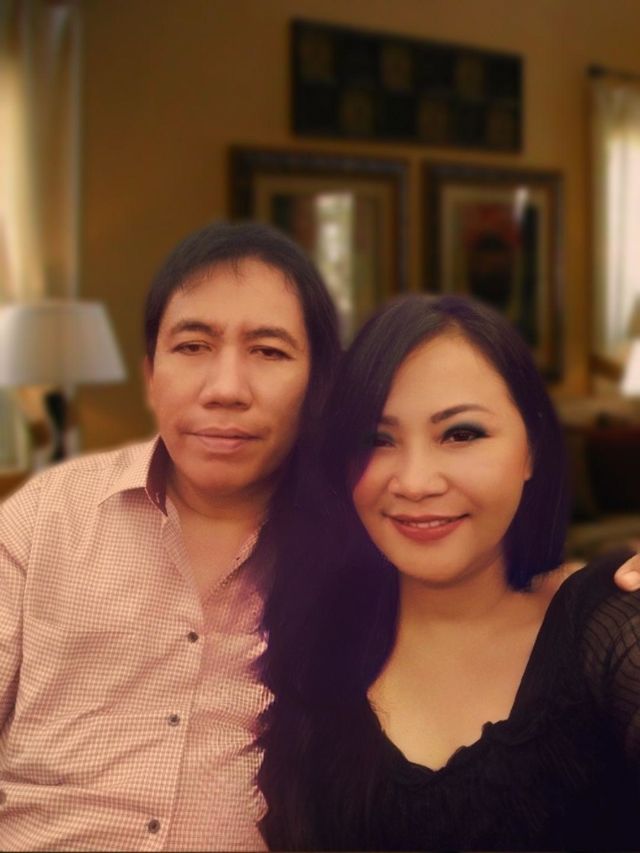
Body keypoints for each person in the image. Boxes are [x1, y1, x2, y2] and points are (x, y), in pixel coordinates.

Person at [0, 221, 341, 852]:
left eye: (269, 352)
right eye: (192, 346)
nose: (226, 390)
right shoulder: (47, 517)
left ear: (317, 382)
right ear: (150, 375)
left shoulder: (354, 550)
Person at [258, 293, 640, 851]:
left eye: (461, 434)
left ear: (531, 450)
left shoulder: (610, 625)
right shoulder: (313, 648)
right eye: (377, 439)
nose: (415, 482)